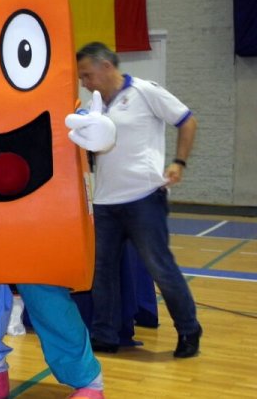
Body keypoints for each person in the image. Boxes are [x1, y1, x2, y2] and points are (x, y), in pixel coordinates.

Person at [76, 41, 202, 358]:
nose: (84, 82)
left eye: (87, 75)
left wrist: (179, 162)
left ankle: (189, 330)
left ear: (106, 66)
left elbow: (187, 121)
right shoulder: (93, 107)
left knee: (160, 268)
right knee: (102, 271)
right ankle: (105, 334)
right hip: (105, 201)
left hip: (144, 198)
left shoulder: (146, 91)